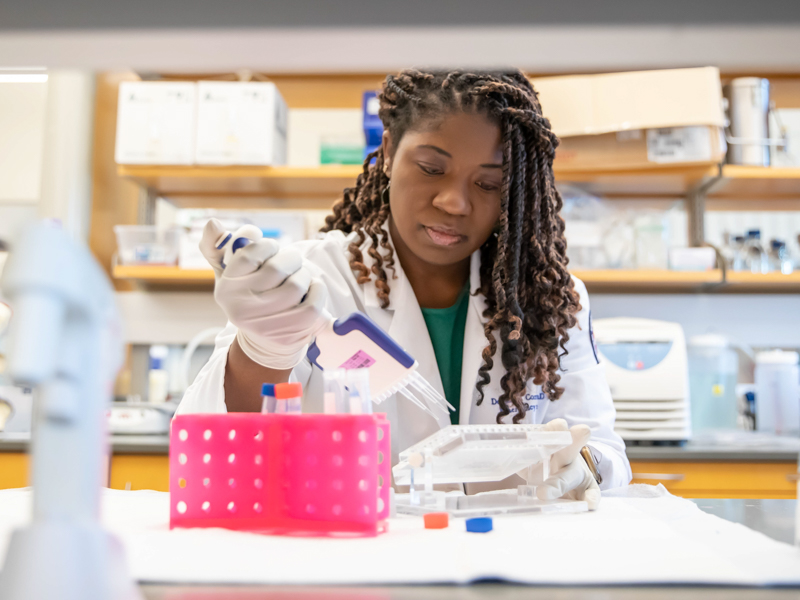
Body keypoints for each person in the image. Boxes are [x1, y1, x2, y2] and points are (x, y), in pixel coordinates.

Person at [178, 69, 631, 507]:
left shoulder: (548, 299)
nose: (454, 201)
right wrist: (263, 349)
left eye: (489, 183)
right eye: (432, 168)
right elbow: (212, 458)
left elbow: (602, 448)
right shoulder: (310, 280)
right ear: (390, 151)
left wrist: (584, 465)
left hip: (504, 566)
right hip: (355, 566)